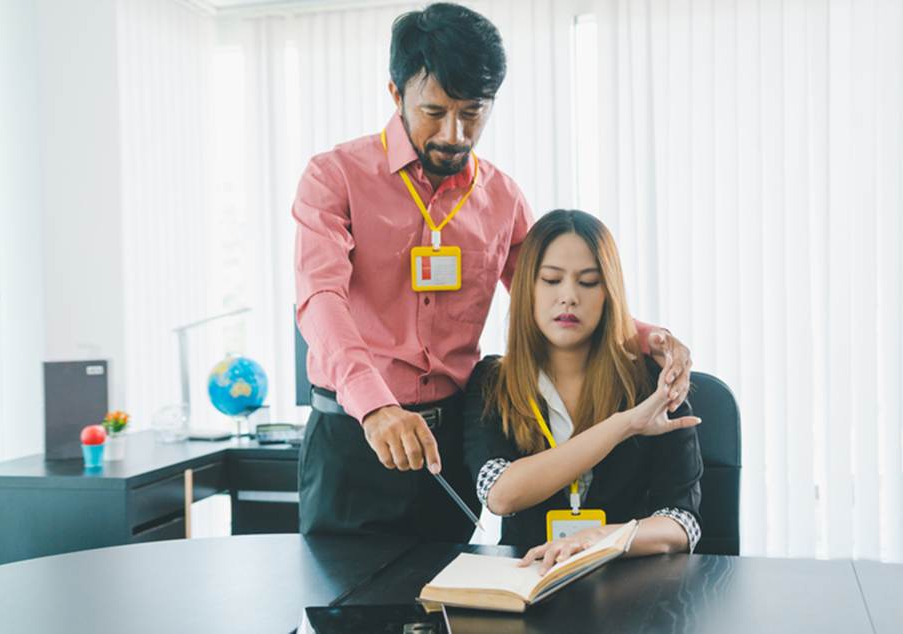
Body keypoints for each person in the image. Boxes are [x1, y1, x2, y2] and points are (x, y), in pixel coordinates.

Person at [293, 3, 693, 542]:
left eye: (472, 113)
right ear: (395, 94)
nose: (454, 133)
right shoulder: (334, 177)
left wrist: (650, 337)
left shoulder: (501, 197)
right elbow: (320, 297)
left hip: (447, 442)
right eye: (434, 112)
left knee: (449, 589)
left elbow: (549, 290)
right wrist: (375, 406)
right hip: (355, 434)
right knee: (341, 592)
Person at [463, 209, 703, 572]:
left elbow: (682, 523)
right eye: (551, 280)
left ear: (609, 293)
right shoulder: (493, 381)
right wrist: (625, 425)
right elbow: (500, 494)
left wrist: (601, 538)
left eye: (588, 282)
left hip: (631, 584)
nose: (569, 297)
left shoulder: (652, 381)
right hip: (527, 581)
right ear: (527, 288)